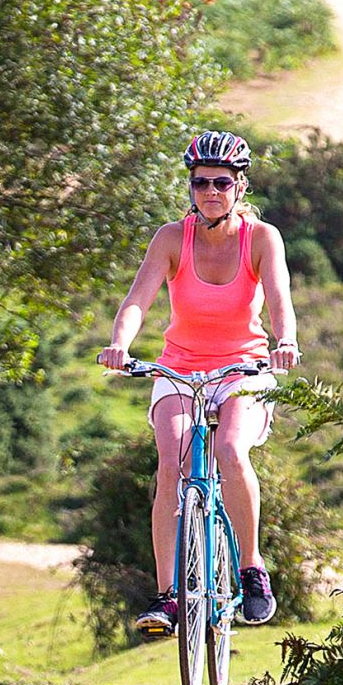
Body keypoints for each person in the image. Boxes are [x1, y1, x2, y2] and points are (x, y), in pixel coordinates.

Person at [97, 130, 300, 634]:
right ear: (190, 186)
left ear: (240, 187)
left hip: (244, 367)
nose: (211, 191)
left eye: (222, 183)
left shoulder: (261, 237)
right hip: (179, 366)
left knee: (231, 450)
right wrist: (120, 344)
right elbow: (137, 302)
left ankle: (252, 570)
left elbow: (279, 299)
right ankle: (168, 596)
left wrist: (285, 341)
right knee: (172, 463)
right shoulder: (171, 238)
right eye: (201, 182)